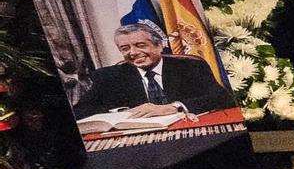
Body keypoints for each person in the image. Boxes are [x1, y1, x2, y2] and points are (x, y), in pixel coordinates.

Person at [71, 19, 231, 119]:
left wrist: (174, 106)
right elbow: (79, 111)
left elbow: (223, 98)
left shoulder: (190, 66)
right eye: (125, 48)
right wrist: (125, 111)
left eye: (140, 45)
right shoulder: (108, 76)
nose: (133, 53)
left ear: (159, 45)